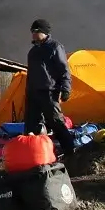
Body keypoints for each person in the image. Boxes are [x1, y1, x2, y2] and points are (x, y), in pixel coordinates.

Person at [25, 19, 74, 160]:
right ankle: (32, 156)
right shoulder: (32, 52)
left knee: (55, 121)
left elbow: (64, 69)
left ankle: (70, 151)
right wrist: (28, 92)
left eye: (36, 31)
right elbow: (30, 74)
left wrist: (65, 89)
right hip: (33, 93)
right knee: (30, 125)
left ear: (44, 32)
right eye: (32, 32)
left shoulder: (55, 47)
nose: (33, 34)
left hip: (49, 91)